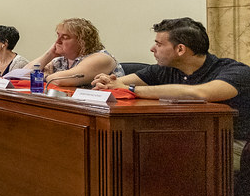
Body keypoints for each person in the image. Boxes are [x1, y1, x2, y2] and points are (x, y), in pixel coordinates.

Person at [92, 17, 250, 177]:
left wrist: (131, 89)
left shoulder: (235, 71)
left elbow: (199, 93)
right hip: (189, 137)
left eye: (159, 44)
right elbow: (118, 83)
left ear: (180, 49)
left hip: (236, 144)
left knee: (159, 154)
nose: (152, 49)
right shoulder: (164, 69)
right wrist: (108, 82)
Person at [28, 17, 124, 87]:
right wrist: (50, 54)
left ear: (82, 42)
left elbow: (59, 80)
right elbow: (23, 75)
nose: (58, 41)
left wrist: (44, 76)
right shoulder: (61, 61)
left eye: (65, 37)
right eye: (58, 36)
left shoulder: (101, 58)